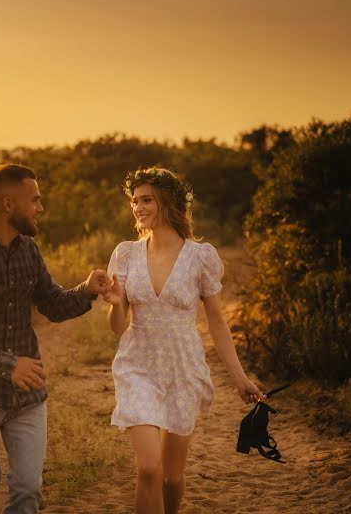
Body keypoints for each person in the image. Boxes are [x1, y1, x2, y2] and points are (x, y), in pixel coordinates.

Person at [0, 163, 111, 514]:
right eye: (34, 200)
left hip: (28, 396)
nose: (40, 208)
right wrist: (8, 365)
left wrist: (87, 290)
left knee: (28, 492)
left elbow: (52, 303)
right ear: (7, 205)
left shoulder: (28, 249)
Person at [101, 166, 264, 514]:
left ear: (169, 202)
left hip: (182, 368)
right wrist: (116, 305)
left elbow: (218, 324)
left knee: (171, 479)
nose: (138, 207)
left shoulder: (200, 257)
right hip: (137, 365)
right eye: (134, 201)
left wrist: (240, 378)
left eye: (146, 199)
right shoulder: (126, 254)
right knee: (148, 469)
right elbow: (117, 327)